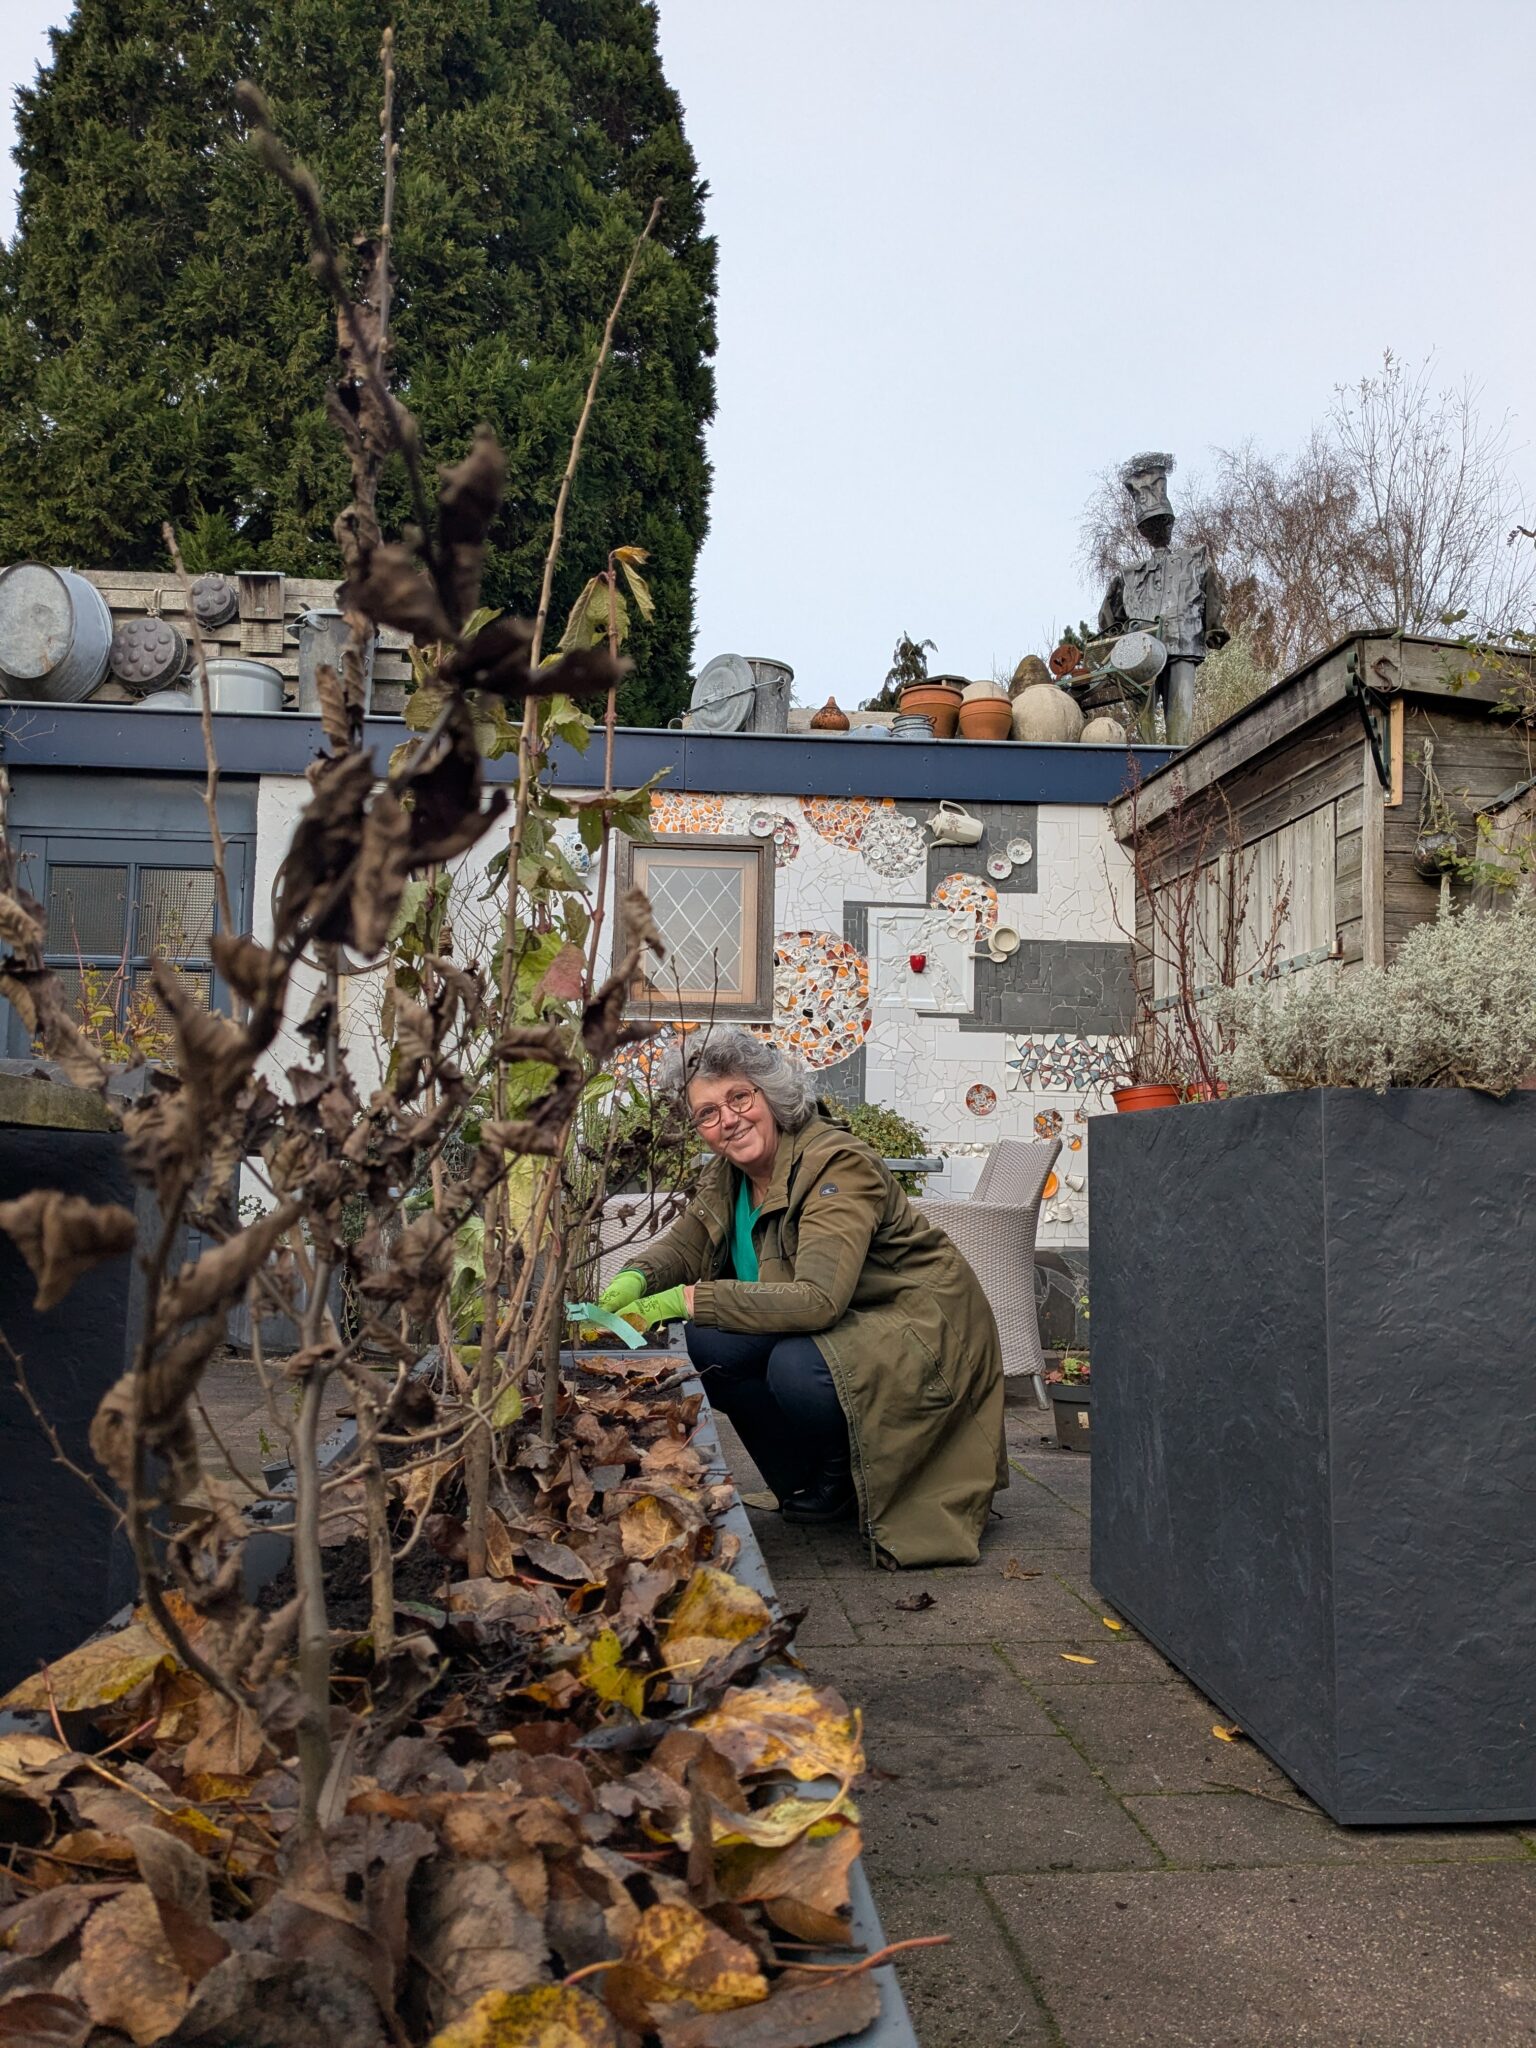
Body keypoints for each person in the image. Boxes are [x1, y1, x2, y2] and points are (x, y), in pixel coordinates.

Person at [598, 1028, 1006, 1568]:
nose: (729, 1119)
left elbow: (817, 1300)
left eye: (739, 1098)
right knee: (707, 1345)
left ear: (769, 1094)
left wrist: (683, 1300)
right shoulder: (731, 1175)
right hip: (847, 1320)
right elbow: (684, 1244)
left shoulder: (836, 1165)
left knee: (796, 1367)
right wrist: (632, 1281)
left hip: (919, 1327)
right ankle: (812, 1486)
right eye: (708, 1113)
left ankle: (848, 1473)